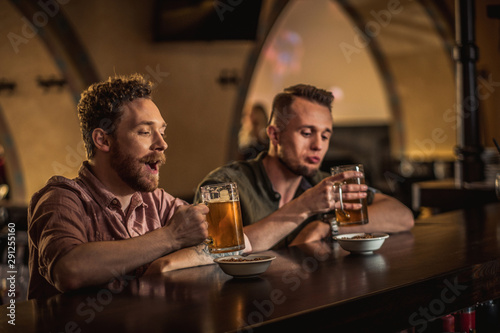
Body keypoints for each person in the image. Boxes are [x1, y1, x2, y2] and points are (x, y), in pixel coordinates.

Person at [27, 74, 249, 299]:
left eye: (162, 132)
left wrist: (164, 265)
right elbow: (70, 270)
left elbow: (237, 242)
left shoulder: (157, 201)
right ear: (103, 140)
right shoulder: (61, 198)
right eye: (145, 132)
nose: (163, 144)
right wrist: (171, 236)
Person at [195, 84, 414, 252]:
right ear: (274, 134)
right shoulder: (223, 185)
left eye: (325, 135)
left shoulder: (325, 182)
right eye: (307, 133)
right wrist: (305, 206)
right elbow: (216, 251)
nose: (318, 145)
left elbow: (402, 215)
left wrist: (327, 226)